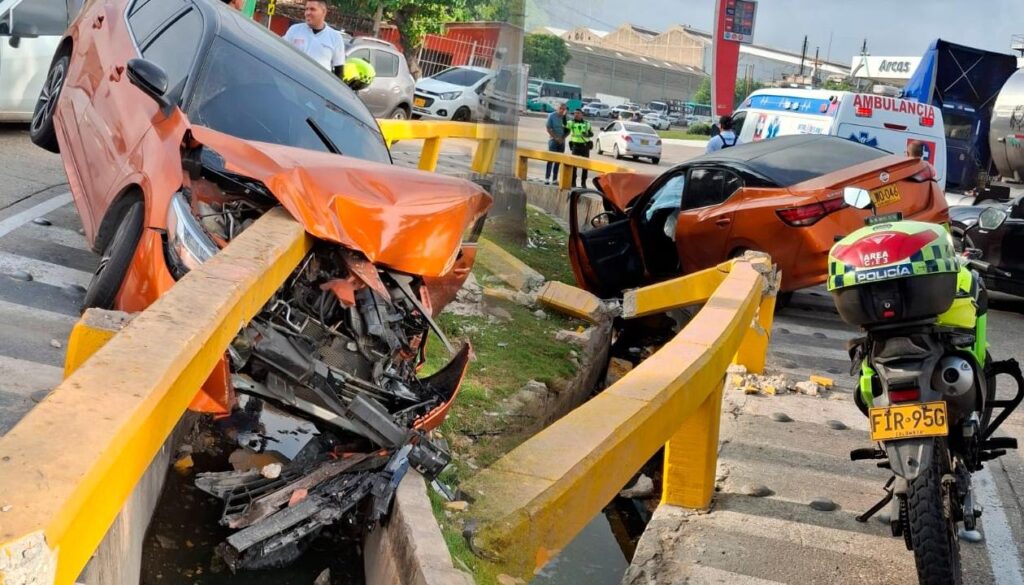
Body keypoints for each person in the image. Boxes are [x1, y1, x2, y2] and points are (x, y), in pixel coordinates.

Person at [283, 0, 346, 77]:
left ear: (324, 12)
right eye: (306, 9)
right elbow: (281, 53)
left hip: (318, 87)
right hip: (293, 82)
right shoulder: (294, 30)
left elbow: (339, 71)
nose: (308, 13)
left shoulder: (335, 37)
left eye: (312, 9)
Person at [567, 109, 594, 188]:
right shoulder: (571, 123)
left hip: (585, 146)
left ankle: (583, 183)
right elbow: (564, 125)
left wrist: (587, 134)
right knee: (574, 166)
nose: (576, 115)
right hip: (575, 146)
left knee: (585, 166)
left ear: (582, 114)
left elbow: (591, 133)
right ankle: (573, 182)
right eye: (575, 113)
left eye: (578, 113)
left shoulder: (587, 124)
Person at [545, 103, 569, 185]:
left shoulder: (566, 118)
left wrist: (562, 138)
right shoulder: (551, 116)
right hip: (553, 140)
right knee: (551, 159)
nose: (562, 110)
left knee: (558, 161)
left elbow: (568, 130)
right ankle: (547, 178)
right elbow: (548, 128)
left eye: (564, 109)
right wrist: (556, 138)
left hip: (562, 141)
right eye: (561, 108)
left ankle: (554, 179)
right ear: (557, 108)